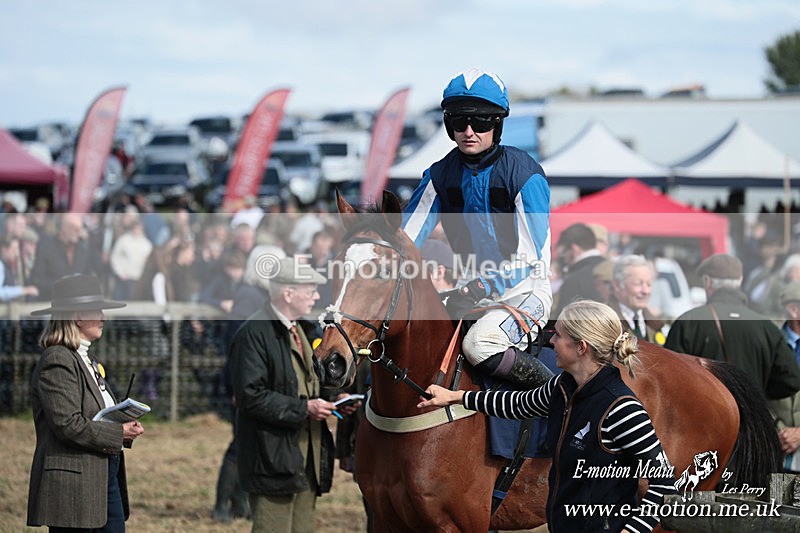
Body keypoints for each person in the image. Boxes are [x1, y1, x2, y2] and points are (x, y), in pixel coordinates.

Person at [417, 300, 676, 533]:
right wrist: (456, 397)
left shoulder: (622, 409)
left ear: (581, 347)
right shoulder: (562, 387)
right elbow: (518, 404)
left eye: (558, 335)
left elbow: (664, 485)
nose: (550, 342)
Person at [402, 68, 552, 387]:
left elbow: (529, 260)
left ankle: (556, 400)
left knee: (478, 345)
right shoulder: (439, 175)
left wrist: (481, 287)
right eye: (459, 121)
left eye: (481, 122)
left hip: (525, 290)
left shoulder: (525, 175)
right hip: (468, 290)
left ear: (497, 125)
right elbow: (404, 239)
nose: (469, 131)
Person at [27, 273, 145, 531]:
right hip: (74, 485)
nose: (103, 317)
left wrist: (124, 424)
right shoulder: (57, 360)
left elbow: (94, 415)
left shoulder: (84, 359)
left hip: (104, 472)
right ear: (78, 316)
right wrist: (118, 432)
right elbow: (68, 425)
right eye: (97, 310)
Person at [228, 256, 338, 533]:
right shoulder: (253, 333)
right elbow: (250, 396)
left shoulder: (304, 330)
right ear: (288, 294)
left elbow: (308, 384)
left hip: (305, 459)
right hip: (272, 460)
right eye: (310, 290)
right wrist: (305, 409)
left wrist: (334, 402)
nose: (316, 297)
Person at [664, 253, 800, 400]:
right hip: (753, 420)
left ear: (708, 282)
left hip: (704, 419)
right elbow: (792, 380)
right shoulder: (766, 326)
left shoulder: (688, 322)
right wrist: (756, 396)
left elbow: (667, 376)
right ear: (740, 281)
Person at [771, 281, 800, 472]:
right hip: (775, 449)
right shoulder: (769, 343)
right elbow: (755, 394)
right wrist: (778, 430)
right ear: (794, 310)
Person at [552, 222, 607, 315]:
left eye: (563, 253)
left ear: (574, 249)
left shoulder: (573, 281)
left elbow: (561, 322)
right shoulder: (615, 269)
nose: (563, 258)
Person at [608, 254, 664, 342]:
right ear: (617, 285)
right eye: (638, 283)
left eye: (649, 284)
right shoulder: (603, 321)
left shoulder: (655, 324)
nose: (646, 291)